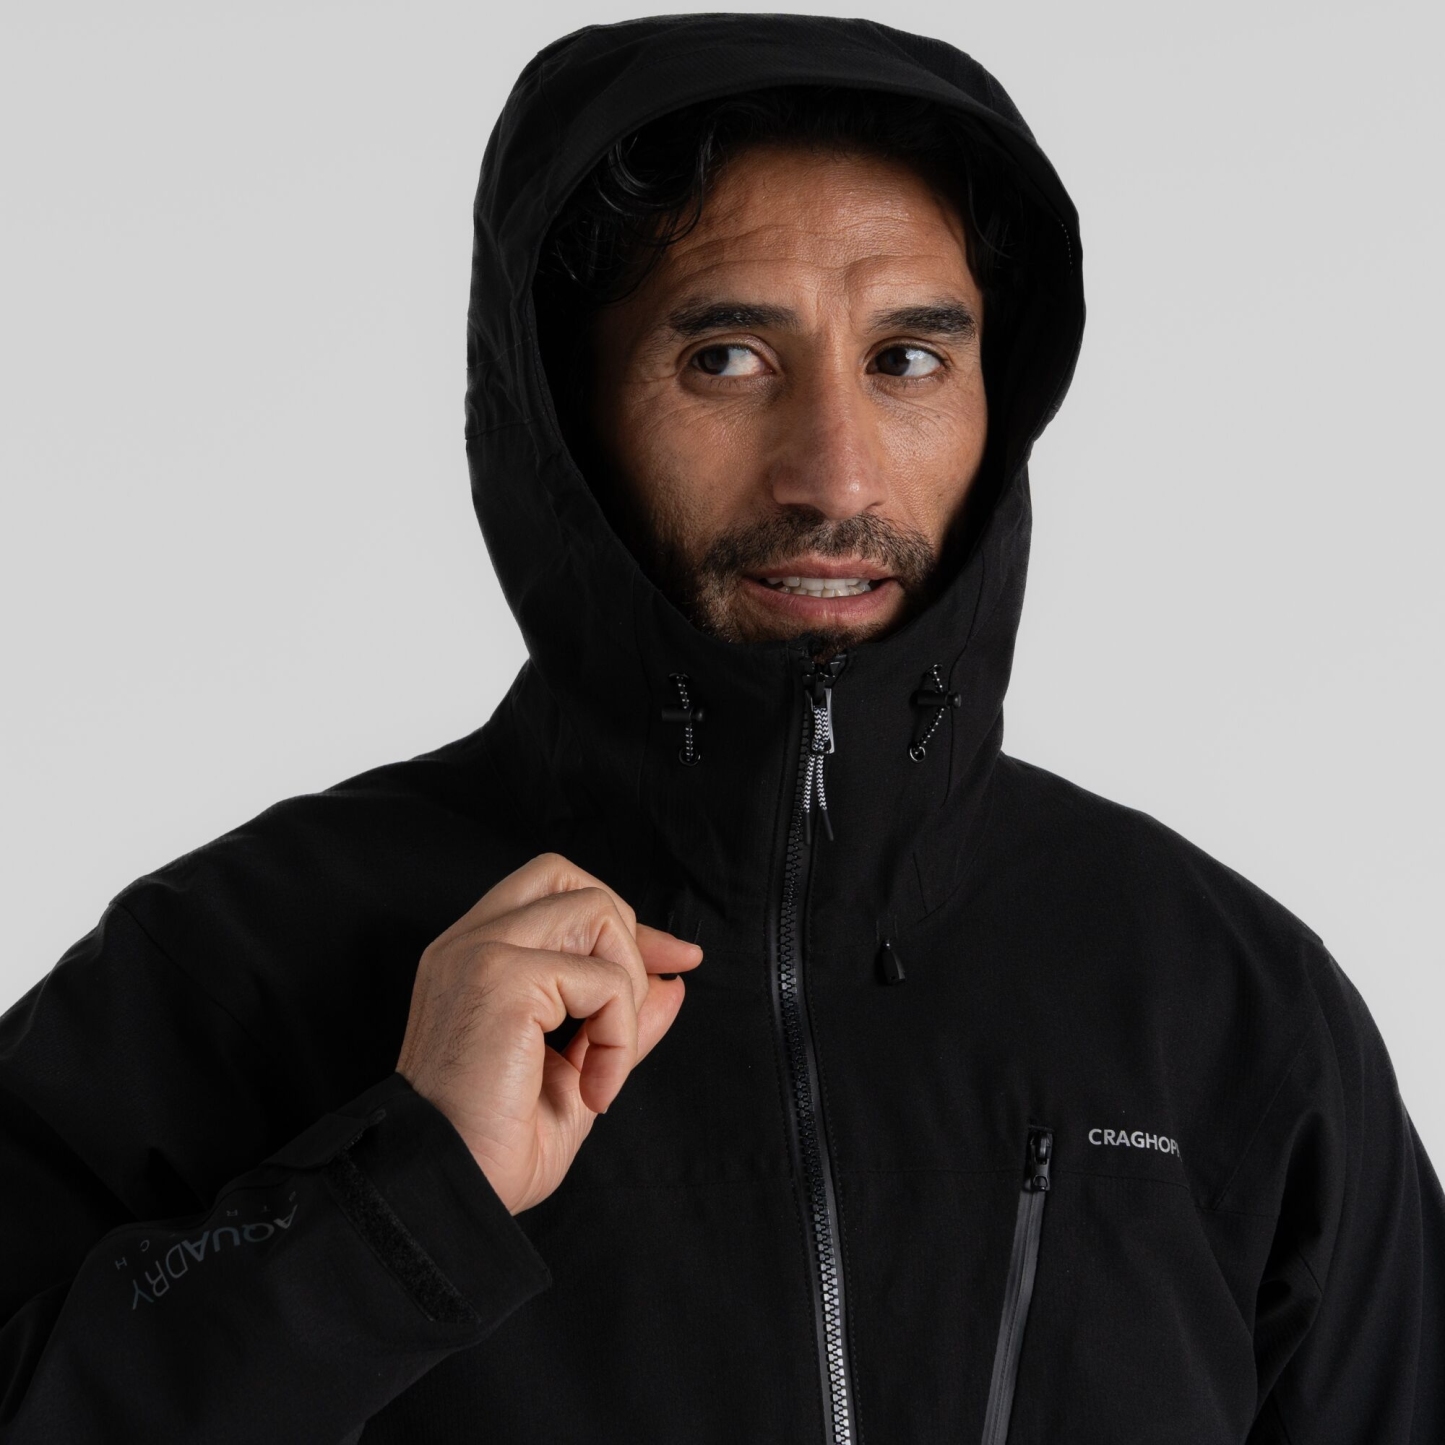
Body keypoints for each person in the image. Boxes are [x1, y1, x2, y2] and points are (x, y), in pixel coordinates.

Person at [1, 13, 1440, 1443]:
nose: (835, 475)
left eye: (907, 360)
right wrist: (399, 1199)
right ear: (564, 416)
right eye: (728, 358)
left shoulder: (1223, 1005)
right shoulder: (225, 975)